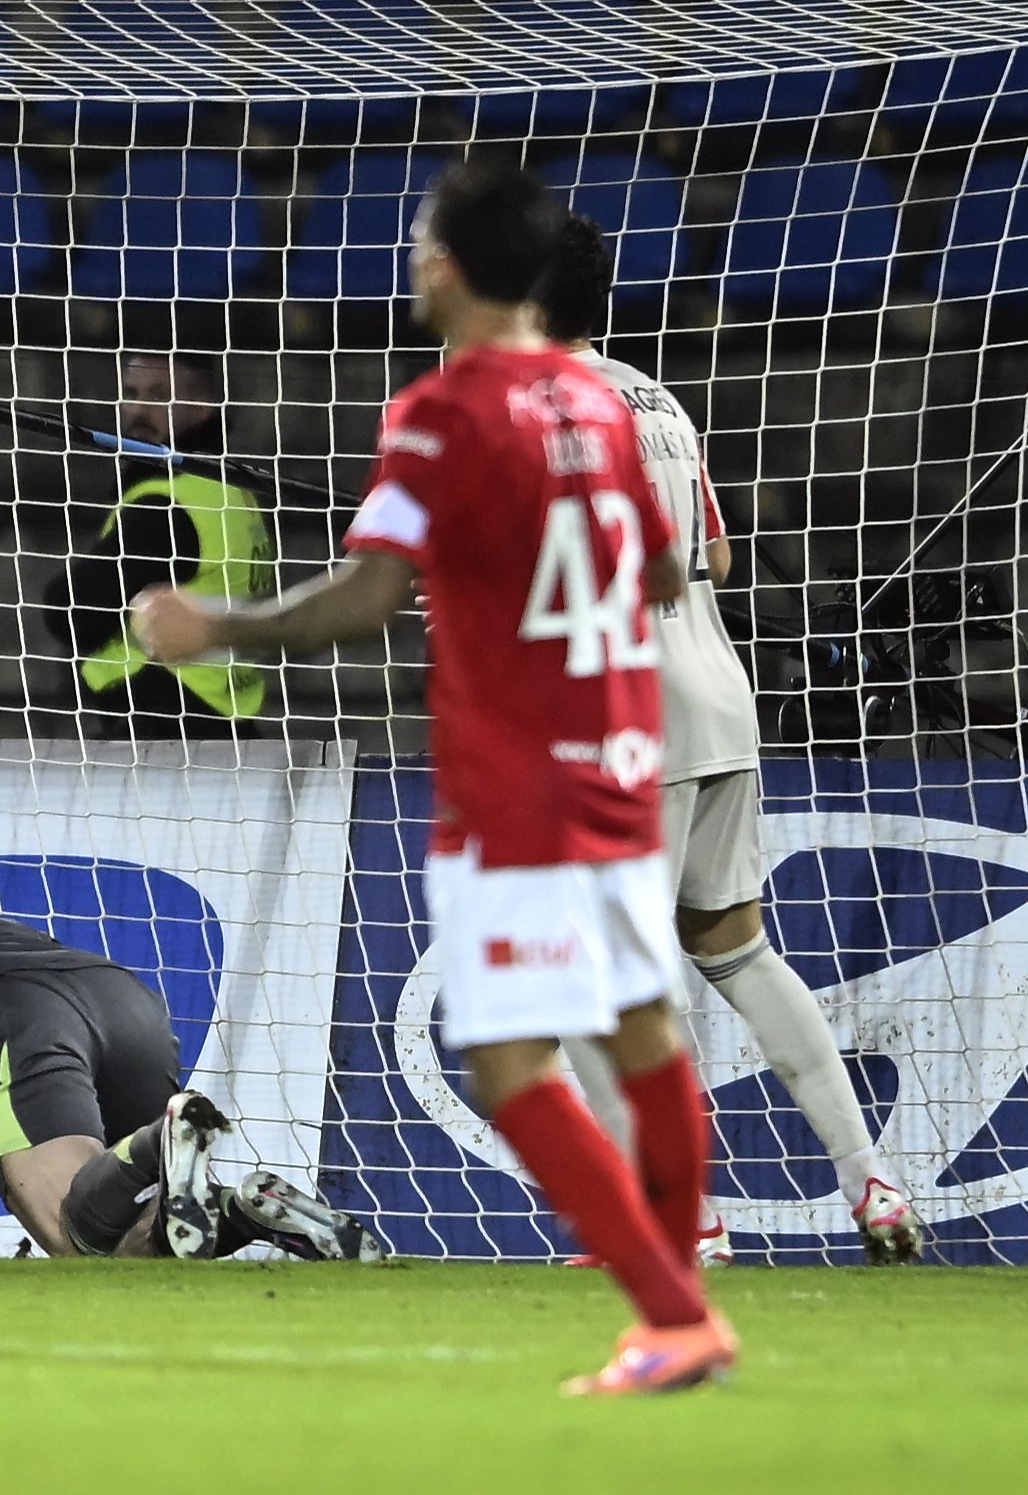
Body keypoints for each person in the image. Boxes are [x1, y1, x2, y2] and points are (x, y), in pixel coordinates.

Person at [135, 159, 737, 1397]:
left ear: (448, 266)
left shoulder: (443, 408)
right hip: (621, 755)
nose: (412, 258)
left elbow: (361, 597)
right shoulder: (593, 398)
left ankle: (674, 1314)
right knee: (640, 1026)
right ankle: (684, 1287)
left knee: (511, 1065)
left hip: (516, 777)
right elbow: (665, 570)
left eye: (421, 241)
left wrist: (217, 624)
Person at [537, 214, 921, 1265]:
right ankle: (872, 1182)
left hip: (626, 715)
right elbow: (715, 552)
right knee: (734, 945)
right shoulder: (653, 396)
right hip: (715, 693)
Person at [0, 913, 380, 1263]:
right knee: (140, 1241)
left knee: (75, 1237)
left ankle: (155, 1142)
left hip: (15, 1017)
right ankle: (243, 1210)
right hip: (126, 1002)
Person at [45, 352, 276, 738]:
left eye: (158, 396)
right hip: (224, 716)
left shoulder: (167, 504)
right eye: (131, 394)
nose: (138, 410)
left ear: (202, 406)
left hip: (165, 722)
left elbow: (71, 608)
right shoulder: (231, 490)